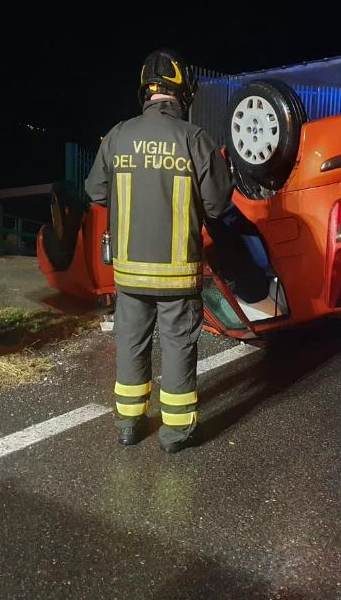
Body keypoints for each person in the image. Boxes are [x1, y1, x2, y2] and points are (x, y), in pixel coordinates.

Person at [85, 49, 234, 452]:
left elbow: (96, 191)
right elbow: (220, 206)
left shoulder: (118, 135)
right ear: (182, 92)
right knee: (178, 348)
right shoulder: (195, 139)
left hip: (130, 274)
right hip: (178, 276)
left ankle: (129, 425)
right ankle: (175, 433)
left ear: (145, 92)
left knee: (131, 346)